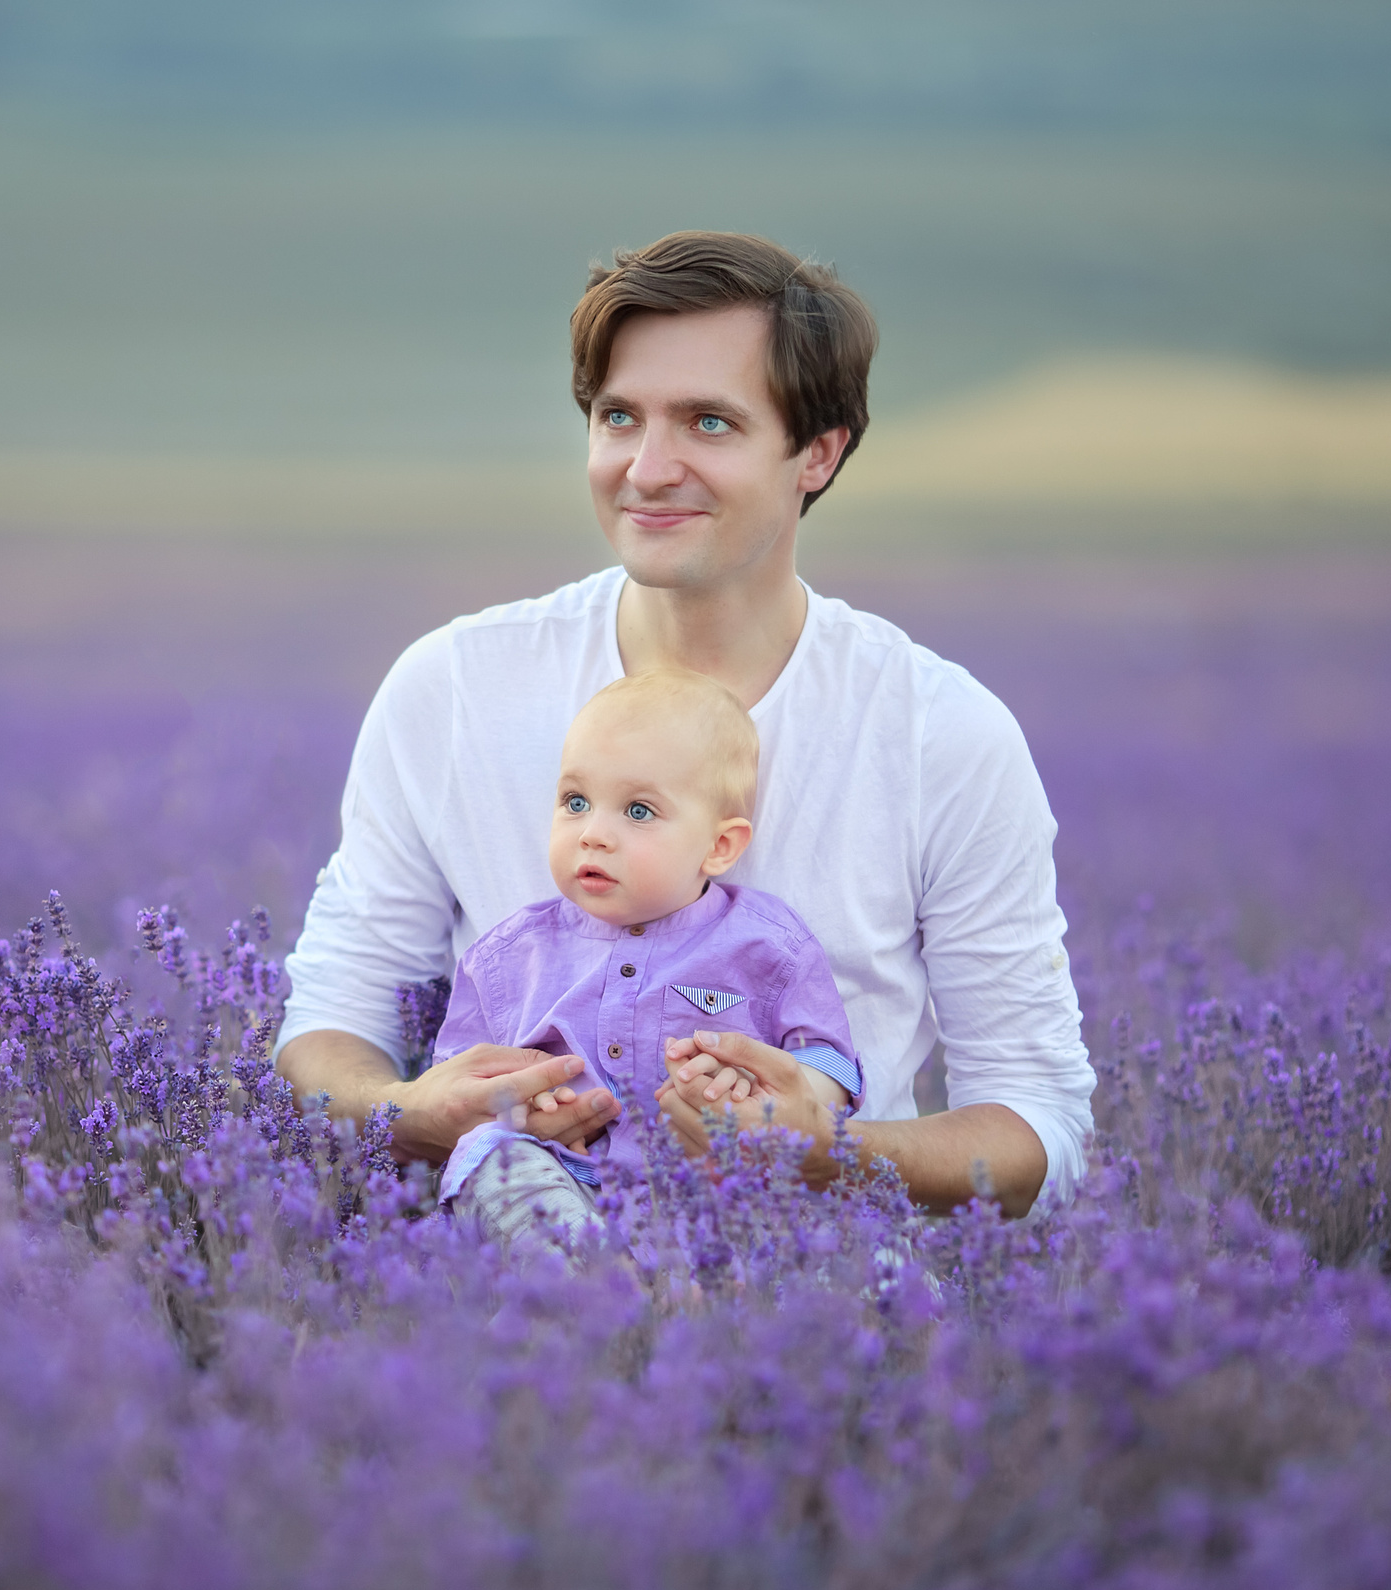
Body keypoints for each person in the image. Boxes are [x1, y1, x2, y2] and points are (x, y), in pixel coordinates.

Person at [278, 230, 1093, 1218]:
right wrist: (411, 1111)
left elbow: (1038, 1122)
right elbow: (329, 1028)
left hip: (817, 1318)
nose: (647, 468)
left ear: (818, 454)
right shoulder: (451, 689)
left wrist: (832, 1151)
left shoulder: (941, 737)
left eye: (708, 423)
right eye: (619, 417)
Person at [431, 667, 864, 1248]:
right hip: (564, 1180)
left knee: (845, 1227)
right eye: (575, 801)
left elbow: (830, 1061)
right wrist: (516, 1102)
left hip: (714, 1190)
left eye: (637, 811)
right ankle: (579, 1287)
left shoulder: (766, 946)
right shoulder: (511, 955)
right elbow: (457, 1081)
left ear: (718, 846)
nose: (594, 834)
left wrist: (779, 1097)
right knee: (490, 1159)